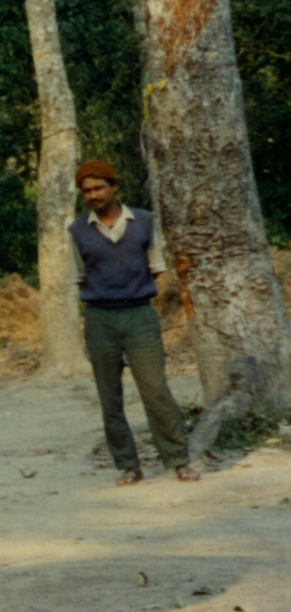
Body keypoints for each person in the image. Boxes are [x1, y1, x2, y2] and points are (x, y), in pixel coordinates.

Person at [69, 160, 199, 485]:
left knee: (155, 389)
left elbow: (155, 267)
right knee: (109, 395)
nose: (93, 195)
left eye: (99, 187)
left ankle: (178, 459)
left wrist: (132, 292)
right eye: (87, 190)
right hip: (99, 318)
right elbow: (79, 276)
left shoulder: (143, 222)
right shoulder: (77, 230)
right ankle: (128, 465)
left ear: (114, 187)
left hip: (139, 315)